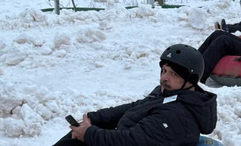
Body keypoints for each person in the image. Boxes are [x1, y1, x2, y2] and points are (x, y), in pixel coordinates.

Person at [54, 44, 217, 146]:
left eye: (173, 74)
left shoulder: (179, 114)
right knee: (77, 136)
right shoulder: (168, 94)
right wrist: (95, 118)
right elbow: (135, 107)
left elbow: (132, 140)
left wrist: (89, 134)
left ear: (190, 80)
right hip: (131, 135)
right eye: (164, 71)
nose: (164, 78)